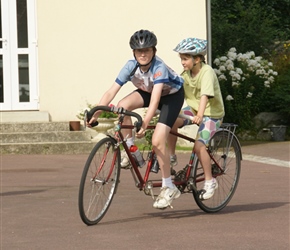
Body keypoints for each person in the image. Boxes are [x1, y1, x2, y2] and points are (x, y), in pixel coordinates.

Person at [87, 29, 185, 209]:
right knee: (122, 106)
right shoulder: (130, 66)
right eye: (139, 51)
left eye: (147, 50)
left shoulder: (159, 67)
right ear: (133, 52)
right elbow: (111, 91)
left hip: (170, 96)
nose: (143, 54)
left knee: (156, 140)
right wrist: (95, 114)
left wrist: (145, 122)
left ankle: (168, 187)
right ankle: (132, 151)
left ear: (154, 51)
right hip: (148, 91)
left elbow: (156, 100)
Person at [167, 37, 225, 200]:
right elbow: (175, 92)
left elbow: (205, 96)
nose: (182, 63)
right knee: (169, 123)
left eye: (185, 59)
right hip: (193, 110)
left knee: (199, 147)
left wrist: (200, 115)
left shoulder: (207, 72)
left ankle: (209, 181)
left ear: (197, 59)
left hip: (212, 114)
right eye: (181, 59)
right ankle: (172, 157)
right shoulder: (185, 74)